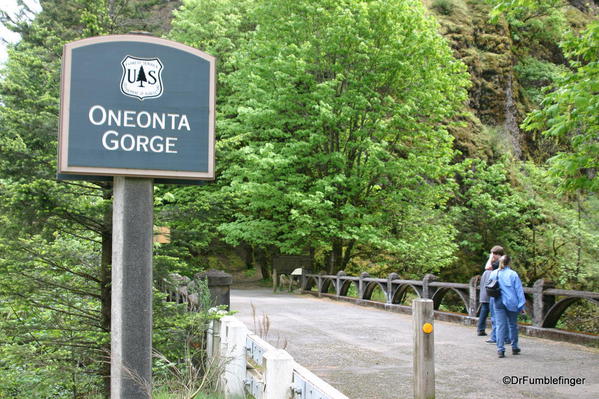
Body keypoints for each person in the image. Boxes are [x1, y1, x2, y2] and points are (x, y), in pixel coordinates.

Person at [490, 255, 526, 358]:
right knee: (512, 325)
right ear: (509, 263)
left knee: (500, 325)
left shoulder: (494, 273)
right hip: (511, 302)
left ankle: (500, 349)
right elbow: (519, 291)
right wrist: (521, 306)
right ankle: (514, 347)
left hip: (498, 301)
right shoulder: (513, 274)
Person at [477, 246, 503, 336]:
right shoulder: (493, 265)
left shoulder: (498, 263)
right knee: (486, 308)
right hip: (488, 290)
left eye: (495, 254)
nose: (493, 256)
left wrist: (490, 258)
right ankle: (482, 329)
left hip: (491, 290)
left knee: (488, 309)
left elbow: (487, 267)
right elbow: (487, 267)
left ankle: (484, 330)